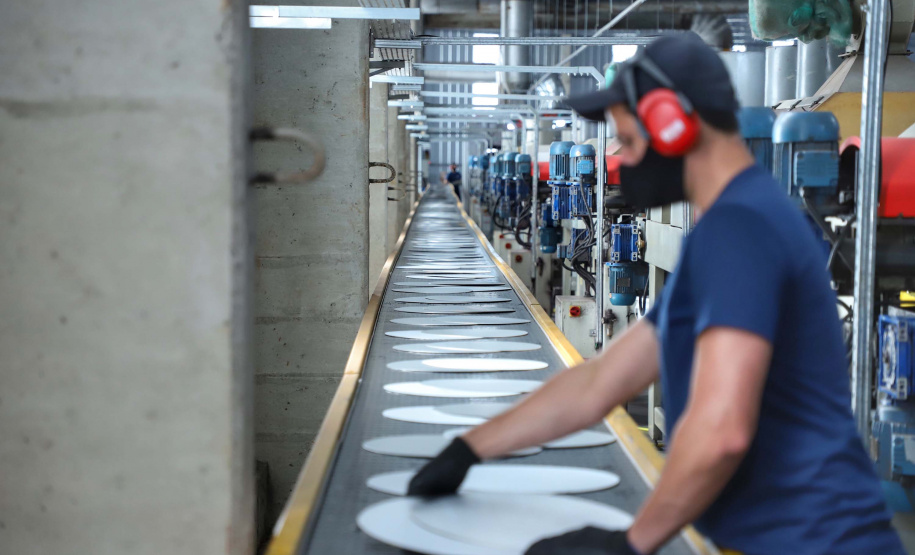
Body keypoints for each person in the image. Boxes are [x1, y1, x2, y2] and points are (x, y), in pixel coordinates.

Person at [407, 33, 905, 555]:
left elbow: (722, 429)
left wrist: (632, 543)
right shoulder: (729, 227)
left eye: (628, 137)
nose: (623, 158)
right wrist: (469, 449)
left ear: (672, 124)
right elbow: (602, 380)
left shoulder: (742, 228)